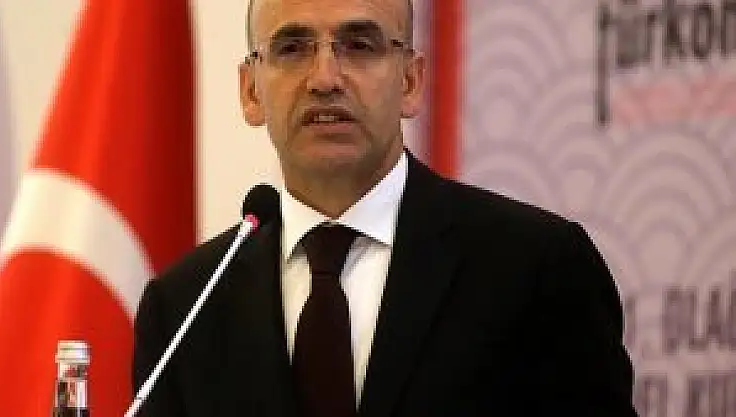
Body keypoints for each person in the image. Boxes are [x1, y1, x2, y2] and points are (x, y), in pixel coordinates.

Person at [132, 0, 640, 415]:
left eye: (359, 45)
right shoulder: (185, 308)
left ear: (410, 82)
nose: (325, 78)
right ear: (250, 91)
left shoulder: (537, 268)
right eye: (292, 48)